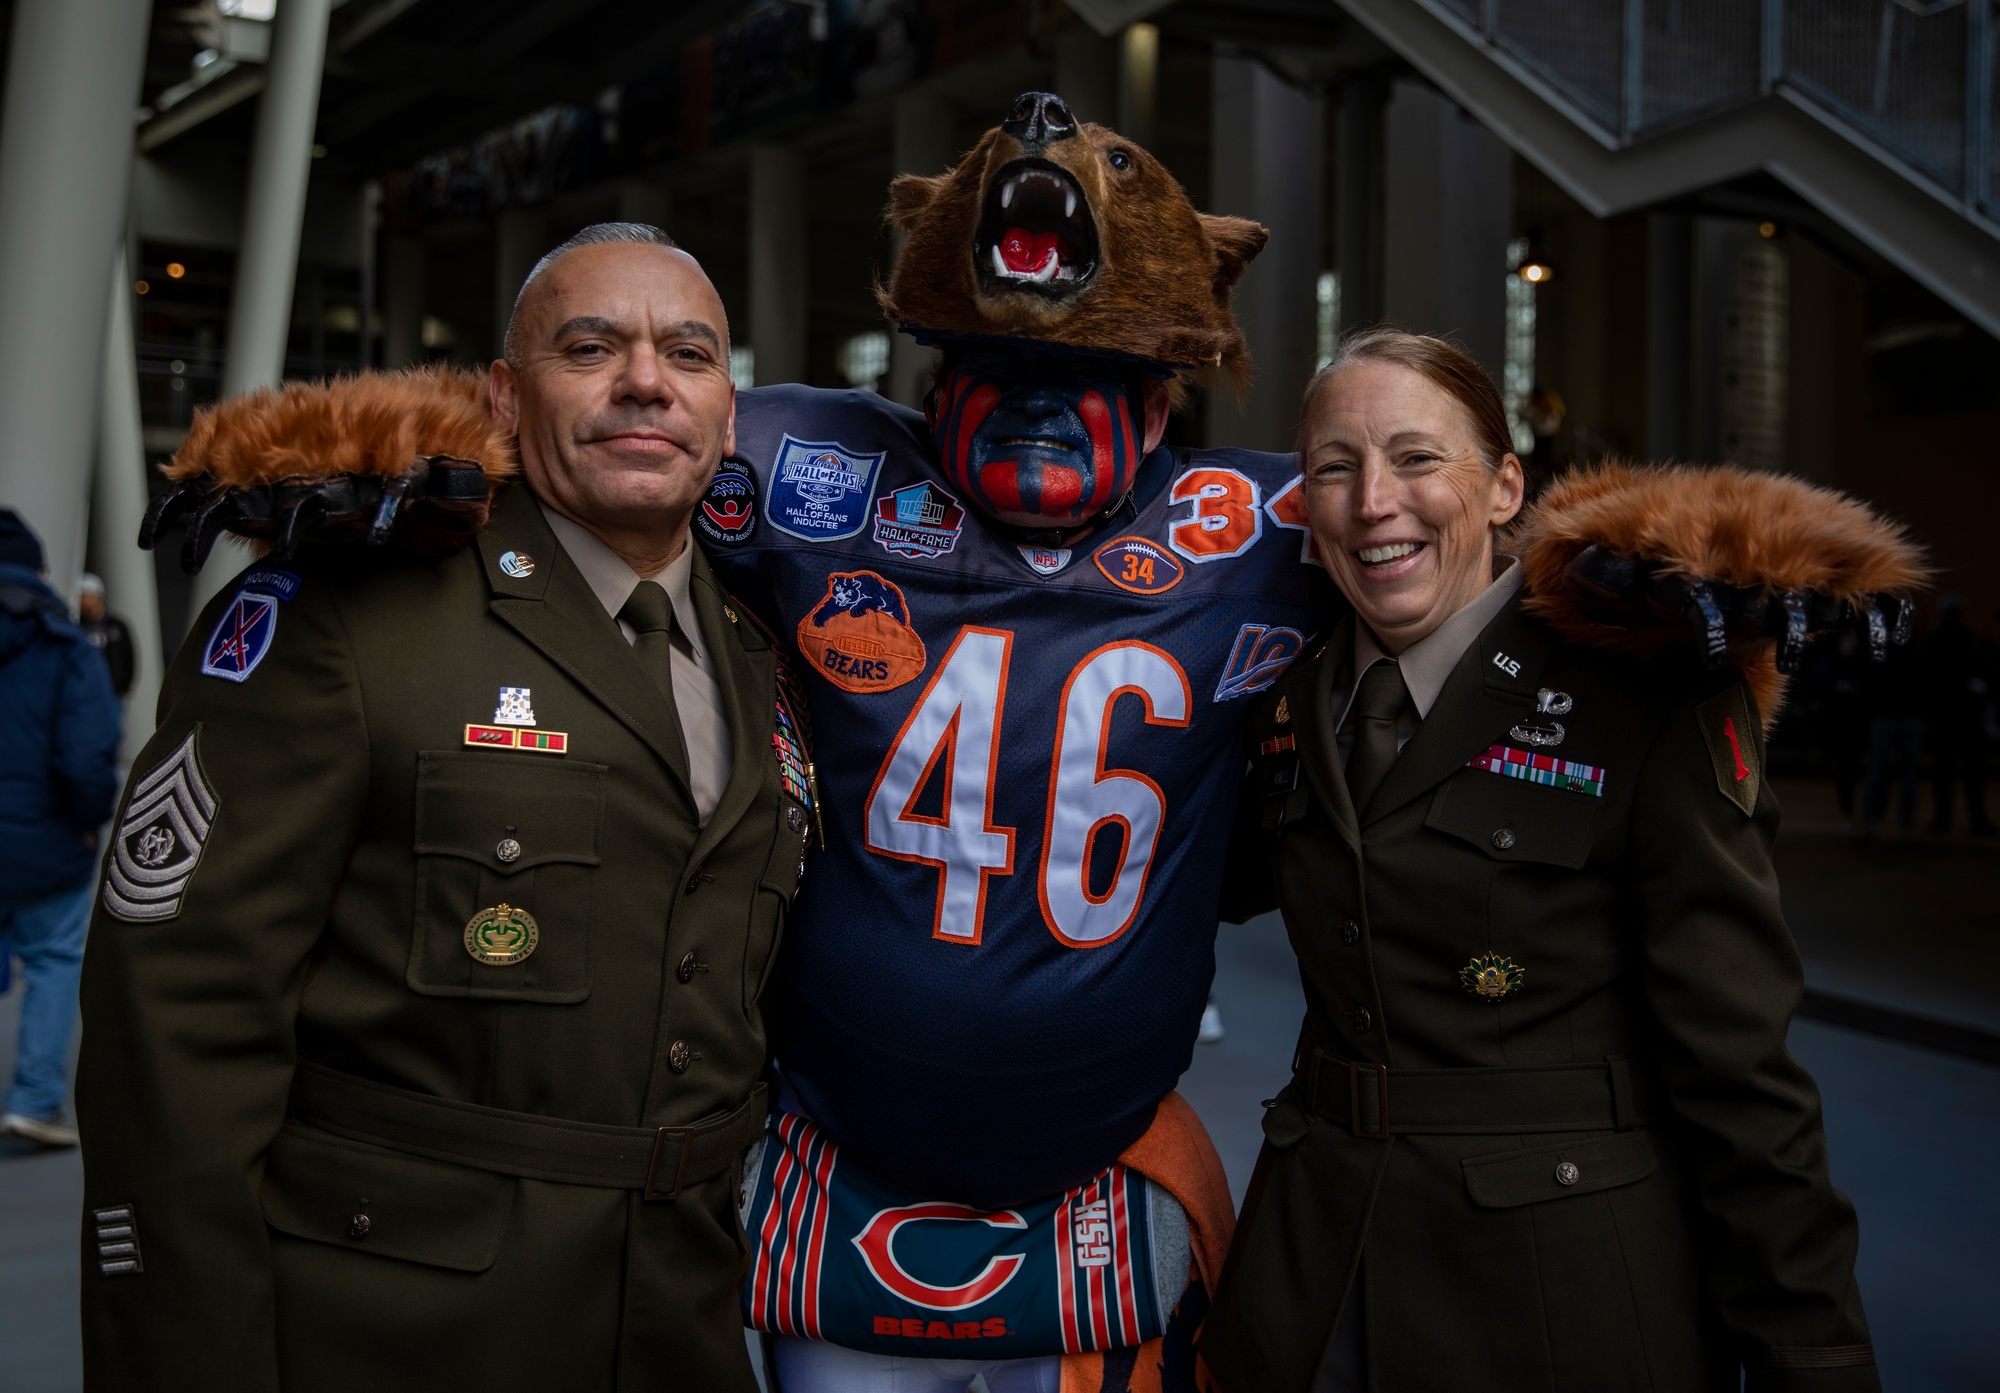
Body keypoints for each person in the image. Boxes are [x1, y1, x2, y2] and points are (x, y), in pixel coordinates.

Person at [78, 225, 796, 1391]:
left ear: (727, 413)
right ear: (506, 399)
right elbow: (177, 1033)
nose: (645, 381)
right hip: (398, 1330)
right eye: (589, 346)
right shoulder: (351, 623)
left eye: (690, 353)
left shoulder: (761, 651)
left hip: (678, 1321)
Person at [702, 93, 1317, 1390]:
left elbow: (1502, 557)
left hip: (1094, 1164)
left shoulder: (1264, 529)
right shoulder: (814, 467)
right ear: (932, 383)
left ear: (1158, 408)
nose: (1041, 409)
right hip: (840, 1148)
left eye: (1084, 383)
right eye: (1006, 378)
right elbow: (575, 446)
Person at [1205, 330, 1918, 1392]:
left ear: (1502, 488)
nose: (1372, 501)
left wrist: (1806, 1348)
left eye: (1415, 457)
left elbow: (1737, 1074)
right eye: (1332, 468)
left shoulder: (1640, 689)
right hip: (1311, 1286)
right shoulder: (1281, 688)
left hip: (1547, 1302)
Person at [0, 511, 122, 1148]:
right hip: (46, 835)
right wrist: (85, 823)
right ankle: (33, 1100)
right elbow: (85, 752)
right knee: (51, 960)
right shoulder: (65, 647)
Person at [1920, 595, 1994, 834]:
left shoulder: (1966, 641)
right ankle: (1959, 819)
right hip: (1955, 717)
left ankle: (1963, 819)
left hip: (1957, 718)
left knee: (1957, 772)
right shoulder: (1959, 641)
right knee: (1954, 772)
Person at [76, 572, 136, 700]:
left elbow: (129, 656)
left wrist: (124, 687)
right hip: (84, 692)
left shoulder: (117, 626)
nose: (82, 601)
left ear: (98, 597)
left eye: (85, 596)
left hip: (113, 693)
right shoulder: (75, 626)